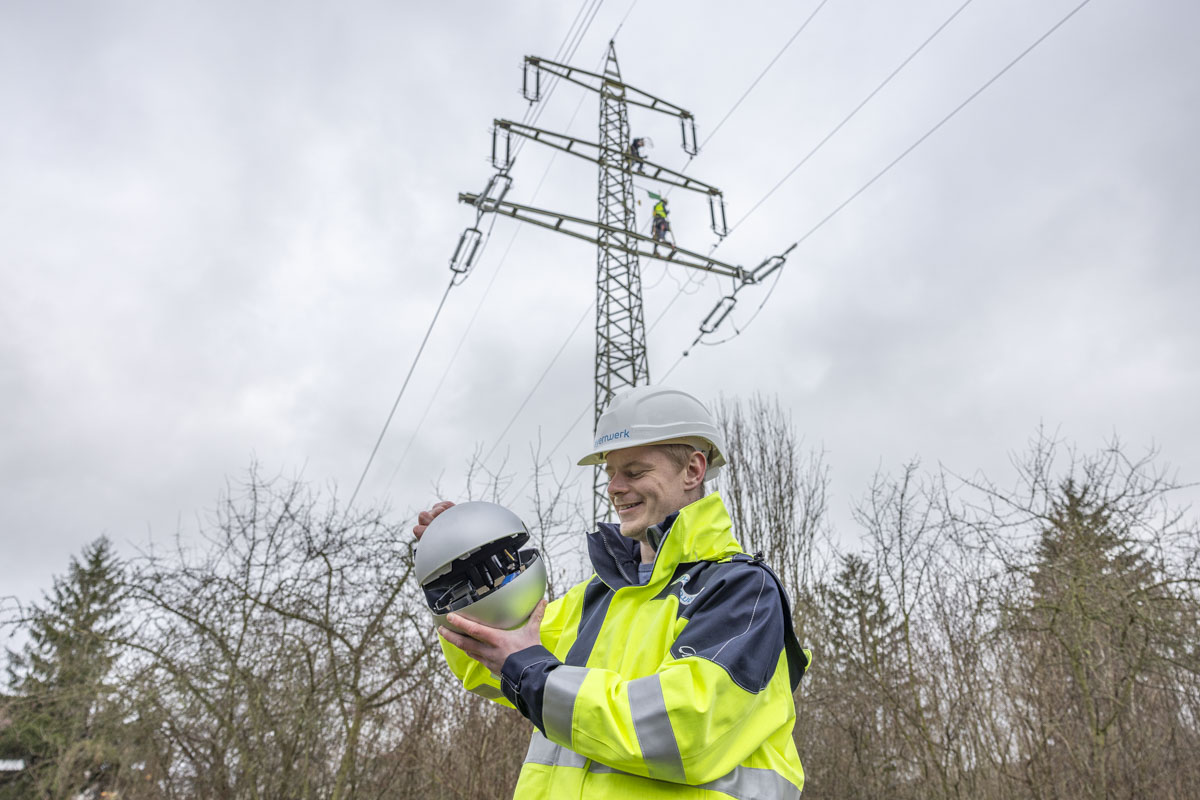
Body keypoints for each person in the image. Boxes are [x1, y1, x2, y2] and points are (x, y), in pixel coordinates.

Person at [413, 385, 810, 799]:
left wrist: (531, 671)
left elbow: (681, 731)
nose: (614, 488)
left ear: (693, 470)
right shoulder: (594, 599)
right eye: (610, 473)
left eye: (634, 472)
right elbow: (492, 659)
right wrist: (464, 582)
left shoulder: (740, 593)